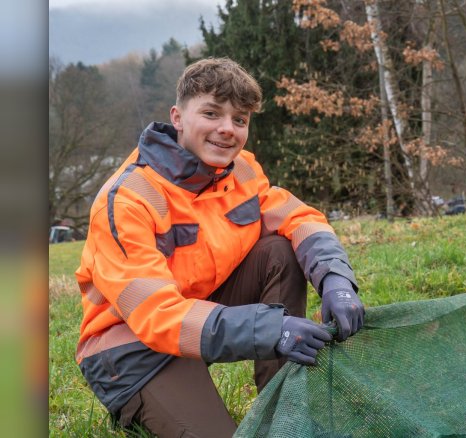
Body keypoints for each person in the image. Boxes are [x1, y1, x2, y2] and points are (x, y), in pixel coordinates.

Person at [73, 57, 365, 436]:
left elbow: (298, 217)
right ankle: (144, 401)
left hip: (202, 314)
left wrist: (337, 281)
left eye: (240, 120)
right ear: (177, 117)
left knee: (280, 250)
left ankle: (283, 405)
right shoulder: (127, 200)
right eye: (212, 113)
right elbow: (158, 315)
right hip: (132, 350)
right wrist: (269, 329)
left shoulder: (241, 168)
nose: (227, 130)